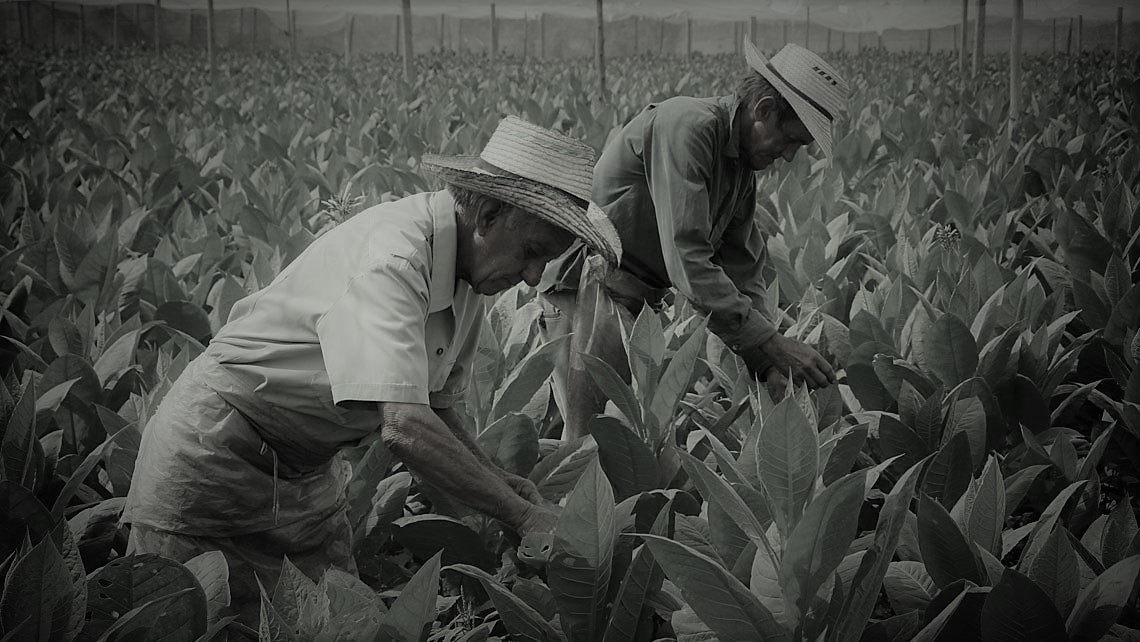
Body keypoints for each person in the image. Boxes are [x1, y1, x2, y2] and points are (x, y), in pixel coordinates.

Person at [122, 116, 622, 626]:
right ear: (489, 214)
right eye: (533, 252)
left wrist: (506, 487)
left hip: (303, 474)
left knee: (339, 625)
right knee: (200, 624)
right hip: (214, 458)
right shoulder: (397, 257)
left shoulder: (469, 274)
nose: (535, 277)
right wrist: (521, 515)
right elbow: (405, 426)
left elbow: (437, 409)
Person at [540, 41, 847, 440]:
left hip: (633, 305)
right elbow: (687, 257)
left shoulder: (739, 171)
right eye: (791, 140)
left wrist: (769, 361)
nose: (789, 156)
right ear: (764, 110)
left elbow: (742, 271)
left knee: (606, 443)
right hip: (587, 290)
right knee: (585, 446)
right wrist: (772, 344)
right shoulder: (690, 127)